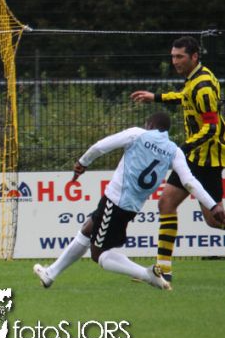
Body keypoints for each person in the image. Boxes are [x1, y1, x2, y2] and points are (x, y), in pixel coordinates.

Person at [33, 112, 225, 290]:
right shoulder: (174, 151)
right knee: (88, 228)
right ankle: (51, 273)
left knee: (99, 254)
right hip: (131, 207)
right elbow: (190, 182)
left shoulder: (137, 134)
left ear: (149, 125)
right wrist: (213, 205)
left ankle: (147, 275)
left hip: (114, 201)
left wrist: (83, 162)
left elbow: (100, 146)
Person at [130, 36, 225, 283]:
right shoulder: (194, 79)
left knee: (214, 219)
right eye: (173, 56)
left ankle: (162, 270)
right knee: (166, 203)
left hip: (206, 160)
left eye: (180, 56)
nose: (175, 61)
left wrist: (182, 149)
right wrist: (156, 97)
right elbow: (184, 96)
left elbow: (213, 128)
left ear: (194, 56)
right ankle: (163, 270)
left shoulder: (203, 85)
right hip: (194, 156)